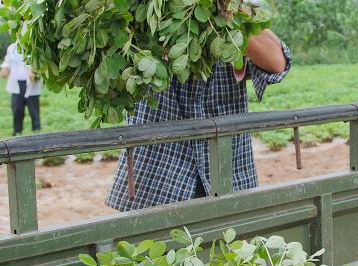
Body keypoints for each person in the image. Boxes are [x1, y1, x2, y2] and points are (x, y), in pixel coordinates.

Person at [106, 30, 291, 211]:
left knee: (229, 239)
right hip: (157, 178)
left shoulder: (234, 18)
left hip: (228, 175)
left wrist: (232, 14)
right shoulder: (147, 20)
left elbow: (277, 64)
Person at [0, 42, 42, 136]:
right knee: (17, 110)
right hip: (16, 85)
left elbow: (39, 62)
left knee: (34, 111)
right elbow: (7, 63)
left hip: (31, 84)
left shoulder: (33, 43)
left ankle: (37, 133)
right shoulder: (12, 47)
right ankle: (17, 132)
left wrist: (34, 73)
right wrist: (4, 70)